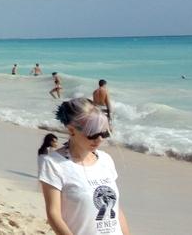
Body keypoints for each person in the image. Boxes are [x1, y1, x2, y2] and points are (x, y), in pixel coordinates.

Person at [39, 98, 130, 235]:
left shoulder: (105, 160)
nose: (99, 139)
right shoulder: (54, 164)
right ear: (71, 130)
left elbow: (116, 209)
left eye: (103, 133)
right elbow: (54, 215)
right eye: (92, 133)